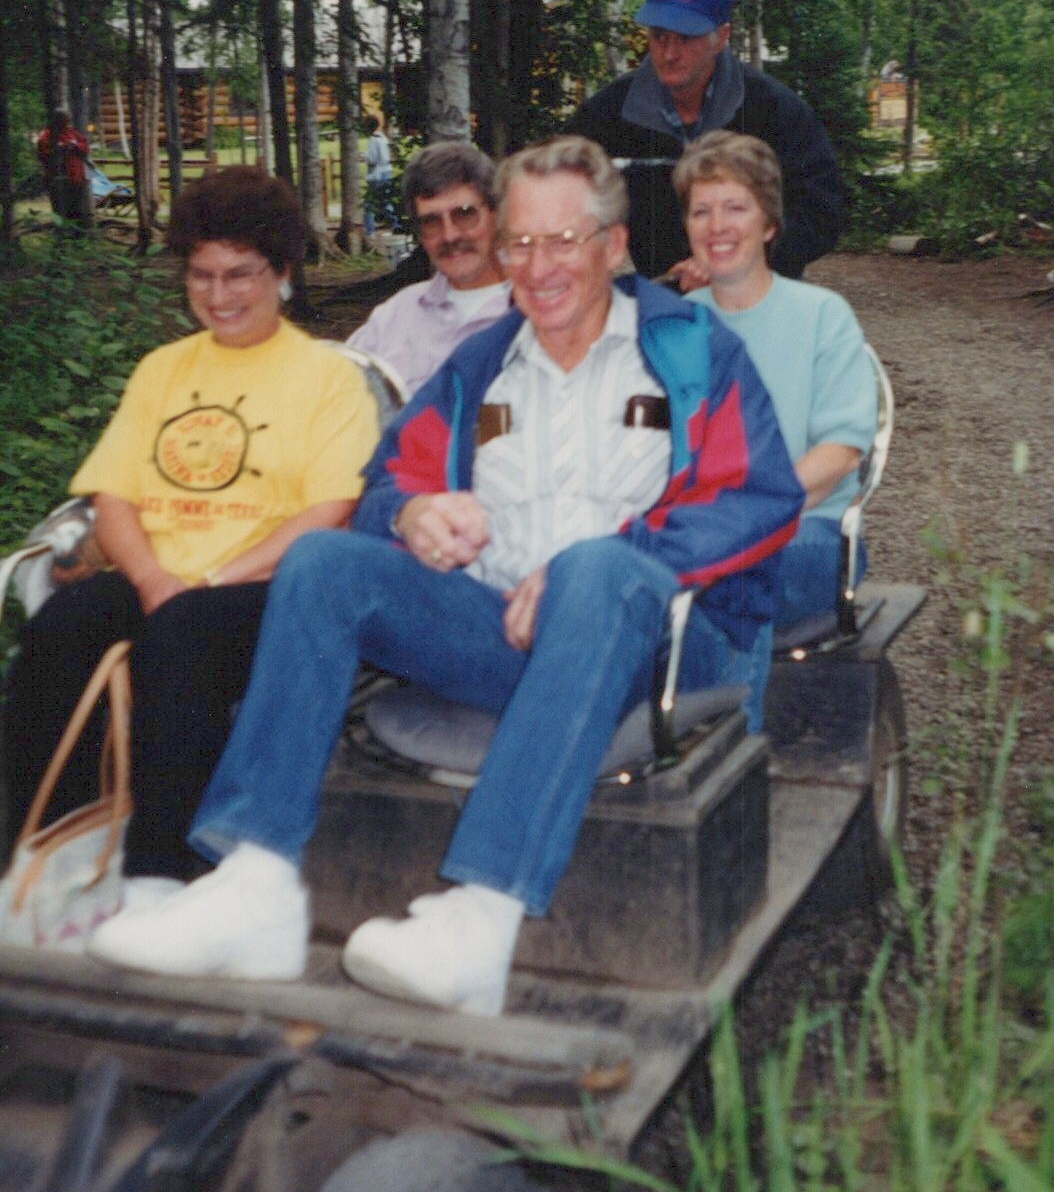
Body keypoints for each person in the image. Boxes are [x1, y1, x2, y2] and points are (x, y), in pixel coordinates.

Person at [88, 135, 805, 1015]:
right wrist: (412, 514)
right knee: (323, 562)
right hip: (499, 631)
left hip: (660, 643)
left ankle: (481, 916)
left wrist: (623, 555)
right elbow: (388, 479)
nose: (536, 266)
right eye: (520, 243)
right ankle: (256, 884)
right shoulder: (480, 365)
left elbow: (760, 497)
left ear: (613, 245)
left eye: (562, 240)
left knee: (595, 569)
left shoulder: (690, 349)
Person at [1, 167, 379, 886]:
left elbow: (330, 510)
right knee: (63, 624)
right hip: (160, 580)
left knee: (184, 634)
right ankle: (44, 856)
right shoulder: (162, 369)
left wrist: (203, 583)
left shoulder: (328, 379)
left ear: (282, 271)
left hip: (265, 590)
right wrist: (152, 579)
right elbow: (114, 495)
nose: (218, 294)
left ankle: (162, 873)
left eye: (239, 274)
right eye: (201, 274)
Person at [674, 131, 876, 629]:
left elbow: (841, 450)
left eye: (735, 208)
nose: (717, 227)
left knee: (712, 584)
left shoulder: (822, 315)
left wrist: (748, 512)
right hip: (700, 533)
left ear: (768, 224)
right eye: (701, 211)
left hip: (807, 531)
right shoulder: (676, 325)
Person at [567, 0, 846, 281]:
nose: (670, 53)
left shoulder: (775, 110)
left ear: (722, 37)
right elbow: (556, 193)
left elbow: (823, 213)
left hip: (761, 291)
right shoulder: (608, 114)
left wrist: (739, 261)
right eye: (660, 36)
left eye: (686, 38)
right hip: (665, 296)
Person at [346, 142, 511, 394]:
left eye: (464, 214)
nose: (450, 235)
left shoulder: (538, 312)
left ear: (496, 215)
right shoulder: (394, 318)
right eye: (431, 221)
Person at [36, 108, 92, 229]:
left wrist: (75, 146)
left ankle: (77, 233)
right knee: (60, 209)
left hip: (76, 178)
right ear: (57, 120)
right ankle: (61, 233)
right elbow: (43, 155)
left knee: (77, 208)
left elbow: (85, 147)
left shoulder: (72, 132)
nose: (68, 123)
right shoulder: (47, 135)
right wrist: (60, 149)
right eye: (65, 120)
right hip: (57, 179)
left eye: (68, 120)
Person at [361, 114, 392, 239]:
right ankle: (395, 226)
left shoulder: (373, 140)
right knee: (385, 202)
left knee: (369, 204)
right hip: (386, 172)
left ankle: (369, 231)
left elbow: (373, 159)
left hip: (377, 174)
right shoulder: (382, 138)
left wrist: (363, 156)